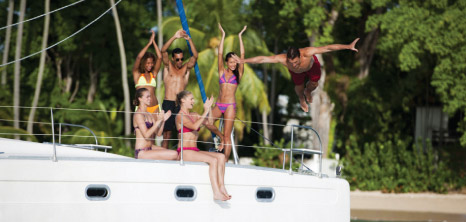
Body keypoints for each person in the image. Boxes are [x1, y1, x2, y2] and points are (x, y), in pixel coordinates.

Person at [234, 38, 359, 112]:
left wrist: (348, 46)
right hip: (297, 75)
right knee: (299, 88)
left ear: (300, 56)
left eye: (296, 62)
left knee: (313, 84)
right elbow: (262, 59)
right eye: (291, 63)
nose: (293, 65)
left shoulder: (308, 52)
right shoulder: (282, 59)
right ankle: (301, 98)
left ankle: (308, 91)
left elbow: (328, 48)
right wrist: (244, 61)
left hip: (312, 67)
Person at [175, 90, 230, 201]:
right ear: (182, 100)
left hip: (194, 150)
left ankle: (222, 187)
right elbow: (195, 127)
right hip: (184, 151)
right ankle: (216, 193)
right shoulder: (179, 116)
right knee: (213, 160)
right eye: (191, 99)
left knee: (221, 157)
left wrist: (222, 137)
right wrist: (205, 110)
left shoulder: (194, 115)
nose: (193, 101)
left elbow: (209, 123)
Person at [210, 23, 246, 162]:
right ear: (226, 62)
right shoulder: (221, 71)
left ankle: (224, 161)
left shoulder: (239, 74)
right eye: (231, 62)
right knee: (208, 122)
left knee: (227, 135)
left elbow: (243, 54)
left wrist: (240, 36)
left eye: (235, 62)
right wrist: (223, 35)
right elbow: (219, 53)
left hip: (230, 106)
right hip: (219, 104)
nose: (233, 64)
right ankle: (220, 140)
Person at [160, 29, 198, 149]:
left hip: (180, 105)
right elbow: (163, 50)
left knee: (181, 133)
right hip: (168, 103)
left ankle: (180, 156)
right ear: (172, 59)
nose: (180, 61)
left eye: (182, 59)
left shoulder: (186, 68)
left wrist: (189, 39)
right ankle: (164, 158)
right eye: (177, 59)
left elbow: (195, 56)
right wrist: (175, 37)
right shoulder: (168, 66)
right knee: (167, 134)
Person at [133, 87, 178, 160]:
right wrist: (158, 121)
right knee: (174, 154)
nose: (150, 98)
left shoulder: (149, 114)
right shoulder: (138, 115)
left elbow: (158, 133)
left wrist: (163, 121)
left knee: (176, 154)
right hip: (141, 151)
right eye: (147, 97)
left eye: (150, 96)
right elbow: (146, 135)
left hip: (150, 148)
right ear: (140, 99)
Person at [132, 30, 162, 113]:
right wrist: (148, 44)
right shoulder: (137, 74)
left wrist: (154, 42)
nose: (150, 65)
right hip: (142, 109)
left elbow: (160, 58)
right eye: (148, 63)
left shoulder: (153, 73)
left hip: (155, 107)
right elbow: (138, 57)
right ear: (143, 62)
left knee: (158, 126)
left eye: (152, 63)